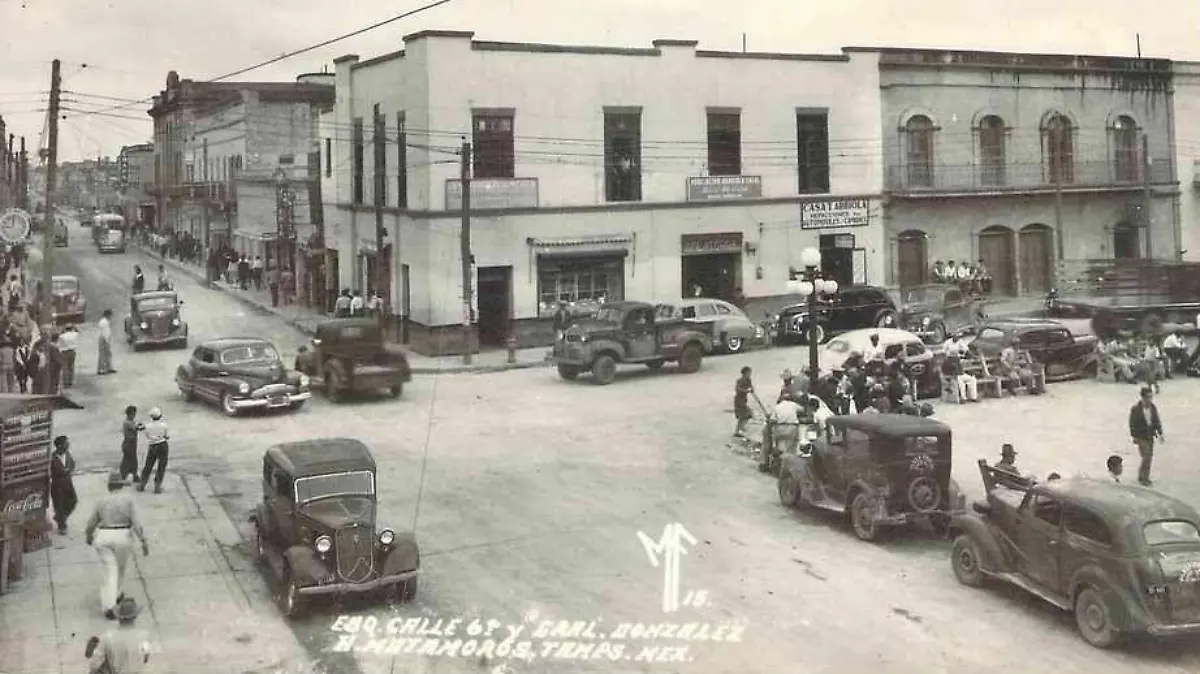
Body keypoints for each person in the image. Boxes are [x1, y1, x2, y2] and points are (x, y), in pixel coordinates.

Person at [85, 470, 149, 620]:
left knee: (109, 570)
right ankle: (110, 604)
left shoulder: (101, 501)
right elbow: (137, 524)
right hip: (122, 536)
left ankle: (113, 597)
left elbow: (91, 523)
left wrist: (89, 535)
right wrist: (143, 541)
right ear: (120, 486)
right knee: (120, 569)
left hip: (104, 536)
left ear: (109, 486)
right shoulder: (128, 500)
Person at [86, 596, 152, 673]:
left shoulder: (107, 637)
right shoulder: (144, 636)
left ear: (118, 617)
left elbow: (94, 665)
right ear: (135, 616)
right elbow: (146, 659)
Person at [1128, 386, 1163, 486]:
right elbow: (1132, 423)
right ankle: (1144, 477)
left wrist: (1160, 433)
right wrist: (1134, 436)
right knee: (1146, 456)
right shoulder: (1135, 409)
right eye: (1148, 397)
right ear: (1142, 397)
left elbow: (1156, 420)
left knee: (1149, 457)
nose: (1150, 399)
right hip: (1141, 436)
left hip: (1150, 435)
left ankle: (1143, 475)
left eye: (1151, 397)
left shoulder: (1153, 407)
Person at [763, 394, 804, 472]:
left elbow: (772, 420)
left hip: (780, 427)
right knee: (790, 449)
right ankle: (787, 468)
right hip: (792, 427)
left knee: (779, 448)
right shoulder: (794, 405)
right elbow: (803, 410)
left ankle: (777, 466)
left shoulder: (777, 406)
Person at [50, 435, 78, 535]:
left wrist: (68, 470)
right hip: (58, 486)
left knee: (73, 501)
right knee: (59, 506)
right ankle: (62, 526)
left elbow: (73, 464)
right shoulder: (52, 458)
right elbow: (54, 472)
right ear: (60, 445)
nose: (68, 444)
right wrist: (65, 471)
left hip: (68, 483)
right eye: (66, 443)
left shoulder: (67, 454)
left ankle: (60, 517)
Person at [137, 408, 169, 493]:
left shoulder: (148, 426)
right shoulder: (164, 425)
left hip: (152, 446)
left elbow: (147, 435)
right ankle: (157, 487)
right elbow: (166, 436)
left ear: (151, 416)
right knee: (161, 466)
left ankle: (142, 484)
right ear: (160, 416)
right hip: (162, 445)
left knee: (148, 465)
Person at [120, 406, 142, 482]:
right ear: (129, 414)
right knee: (129, 460)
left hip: (132, 443)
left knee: (130, 459)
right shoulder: (127, 422)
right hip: (128, 443)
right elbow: (136, 428)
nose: (134, 416)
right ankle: (130, 475)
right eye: (133, 414)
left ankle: (129, 474)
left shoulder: (131, 421)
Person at [733, 366, 754, 439]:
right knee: (745, 415)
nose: (750, 374)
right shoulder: (739, 380)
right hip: (739, 400)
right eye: (749, 373)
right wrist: (747, 391)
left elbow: (751, 387)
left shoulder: (749, 380)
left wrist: (752, 389)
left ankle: (740, 429)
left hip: (744, 400)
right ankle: (738, 431)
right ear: (744, 373)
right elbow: (737, 389)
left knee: (747, 415)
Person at [97, 309, 116, 375]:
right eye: (110, 315)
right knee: (103, 354)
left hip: (105, 339)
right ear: (108, 315)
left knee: (108, 354)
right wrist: (107, 341)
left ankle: (108, 367)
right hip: (104, 339)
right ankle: (102, 369)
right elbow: (105, 332)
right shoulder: (104, 322)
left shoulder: (106, 321)